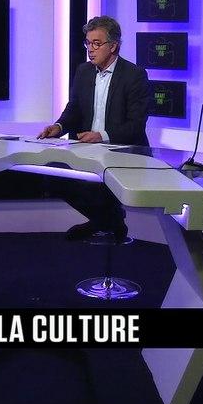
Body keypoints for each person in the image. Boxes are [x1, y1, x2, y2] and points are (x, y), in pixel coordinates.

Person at [37, 15, 149, 241]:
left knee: (96, 186)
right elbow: (74, 108)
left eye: (96, 43)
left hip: (122, 151)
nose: (90, 49)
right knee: (52, 174)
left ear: (113, 46)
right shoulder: (83, 71)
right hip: (88, 149)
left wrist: (101, 136)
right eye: (88, 43)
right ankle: (110, 220)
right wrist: (59, 126)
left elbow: (136, 125)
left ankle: (105, 221)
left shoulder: (134, 75)